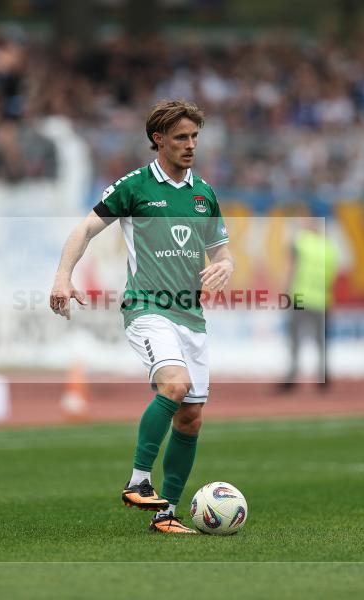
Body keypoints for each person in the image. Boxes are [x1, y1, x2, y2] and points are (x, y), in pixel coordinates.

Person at [50, 100, 234, 534]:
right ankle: (138, 481)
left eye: (194, 137)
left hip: (191, 317)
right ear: (158, 140)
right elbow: (85, 229)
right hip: (147, 308)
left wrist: (226, 265)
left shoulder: (203, 194)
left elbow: (222, 253)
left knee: (191, 417)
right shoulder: (134, 186)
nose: (190, 145)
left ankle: (165, 515)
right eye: (181, 138)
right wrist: (63, 276)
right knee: (175, 385)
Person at [280, 217, 338, 392]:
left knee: (295, 340)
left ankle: (292, 377)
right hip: (322, 299)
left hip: (299, 296)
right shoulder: (328, 248)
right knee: (321, 342)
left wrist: (285, 291)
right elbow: (332, 275)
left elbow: (290, 267)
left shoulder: (301, 242)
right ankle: (323, 377)